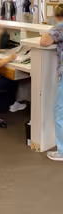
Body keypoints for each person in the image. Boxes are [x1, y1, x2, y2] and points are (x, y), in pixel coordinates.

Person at [40, 23, 63, 162]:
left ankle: (62, 151)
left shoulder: (60, 27)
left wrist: (53, 27)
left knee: (60, 112)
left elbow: (44, 41)